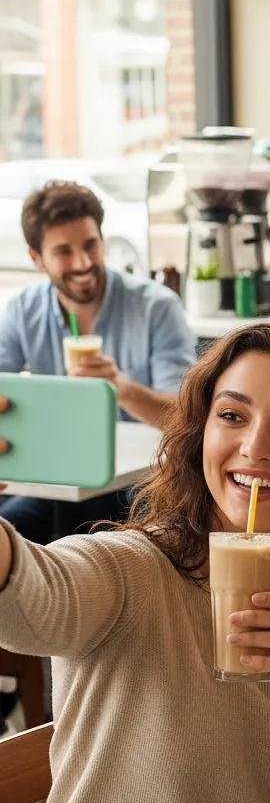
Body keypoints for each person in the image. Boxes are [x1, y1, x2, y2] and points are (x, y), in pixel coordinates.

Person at [0, 321, 270, 803]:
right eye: (232, 416)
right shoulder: (128, 571)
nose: (255, 445)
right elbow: (30, 603)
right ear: (202, 435)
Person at [0, 180, 196, 543]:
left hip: (141, 486)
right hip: (57, 483)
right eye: (63, 251)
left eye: (90, 245)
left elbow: (187, 416)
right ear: (36, 259)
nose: (83, 262)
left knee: (135, 543)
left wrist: (122, 389)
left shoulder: (156, 307)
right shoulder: (23, 311)